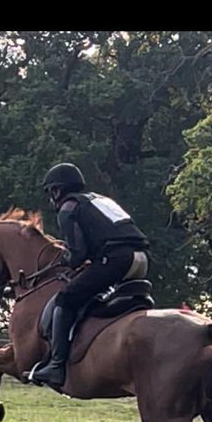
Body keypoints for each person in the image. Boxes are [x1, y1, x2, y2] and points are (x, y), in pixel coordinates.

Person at [30, 163, 150, 387]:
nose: (51, 199)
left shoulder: (69, 208)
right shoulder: (100, 200)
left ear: (58, 190)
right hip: (141, 258)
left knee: (66, 298)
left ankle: (56, 366)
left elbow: (78, 254)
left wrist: (65, 260)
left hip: (115, 260)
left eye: (50, 192)